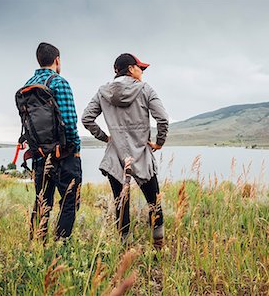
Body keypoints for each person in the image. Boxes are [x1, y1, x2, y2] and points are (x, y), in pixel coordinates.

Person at [82, 53, 169, 248]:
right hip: (142, 155)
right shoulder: (146, 89)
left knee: (121, 205)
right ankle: (158, 246)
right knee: (154, 201)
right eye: (141, 68)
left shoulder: (102, 92)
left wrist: (106, 138)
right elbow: (162, 119)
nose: (142, 72)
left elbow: (87, 118)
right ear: (130, 68)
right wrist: (159, 142)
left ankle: (125, 250)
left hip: (115, 157)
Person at [24, 42, 82, 241]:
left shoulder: (27, 86)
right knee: (69, 200)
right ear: (57, 60)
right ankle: (61, 244)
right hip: (64, 155)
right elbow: (69, 121)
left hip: (39, 155)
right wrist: (75, 149)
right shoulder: (59, 83)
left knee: (42, 201)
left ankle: (37, 245)